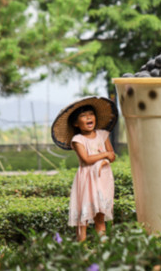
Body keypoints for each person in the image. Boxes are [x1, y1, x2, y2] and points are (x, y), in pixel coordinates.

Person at [50, 96, 118, 242]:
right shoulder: (78, 140)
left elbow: (112, 156)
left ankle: (103, 246)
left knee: (100, 215)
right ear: (75, 123)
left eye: (91, 114)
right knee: (84, 215)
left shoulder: (102, 135)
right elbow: (86, 159)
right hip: (87, 179)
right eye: (83, 115)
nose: (88, 117)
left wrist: (106, 158)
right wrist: (105, 155)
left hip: (103, 178)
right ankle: (82, 249)